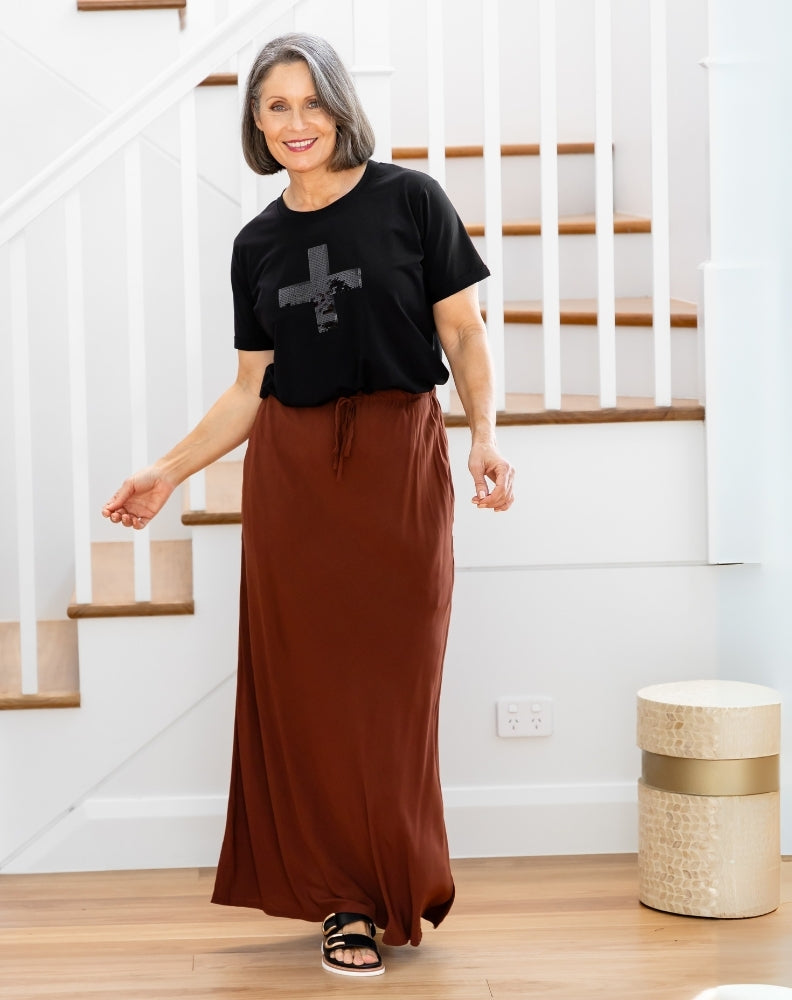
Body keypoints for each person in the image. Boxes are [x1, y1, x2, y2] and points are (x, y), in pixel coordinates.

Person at [102, 32, 514, 978]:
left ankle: (392, 876)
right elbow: (252, 389)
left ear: (340, 106)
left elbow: (461, 327)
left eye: (311, 102)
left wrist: (485, 431)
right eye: (275, 106)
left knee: (396, 688)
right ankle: (345, 904)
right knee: (312, 695)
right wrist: (166, 471)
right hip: (293, 480)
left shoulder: (410, 200)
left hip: (398, 461)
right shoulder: (257, 244)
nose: (296, 123)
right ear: (255, 120)